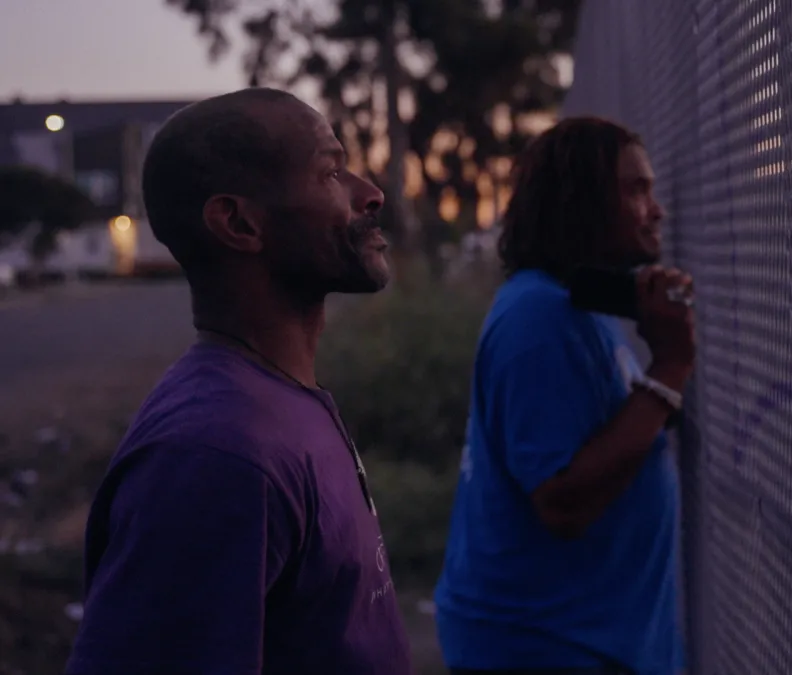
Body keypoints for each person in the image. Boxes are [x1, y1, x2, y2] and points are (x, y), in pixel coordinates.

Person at [65, 87, 412, 675]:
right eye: (330, 172)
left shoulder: (278, 399)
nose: (370, 193)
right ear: (238, 222)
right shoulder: (214, 455)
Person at [434, 116, 696, 675]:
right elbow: (562, 502)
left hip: (579, 636)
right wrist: (670, 366)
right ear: (581, 202)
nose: (657, 210)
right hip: (545, 646)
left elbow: (601, 435)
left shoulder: (569, 309)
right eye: (636, 190)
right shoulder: (538, 319)